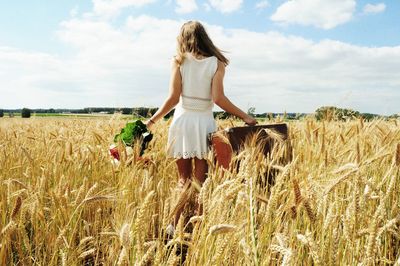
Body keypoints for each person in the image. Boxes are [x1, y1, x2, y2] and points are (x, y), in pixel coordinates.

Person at [145, 21, 256, 235]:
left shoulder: (178, 61)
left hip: (182, 122)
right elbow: (219, 99)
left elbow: (173, 98)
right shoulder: (217, 63)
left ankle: (171, 227)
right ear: (205, 37)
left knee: (182, 180)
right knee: (200, 182)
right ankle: (198, 229)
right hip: (204, 123)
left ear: (183, 38)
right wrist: (245, 116)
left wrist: (151, 121)